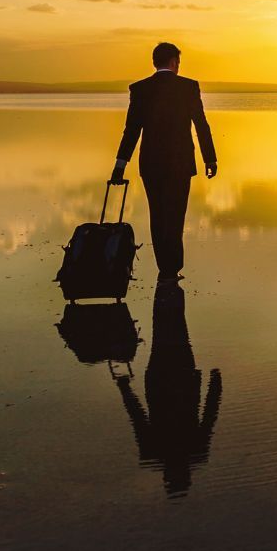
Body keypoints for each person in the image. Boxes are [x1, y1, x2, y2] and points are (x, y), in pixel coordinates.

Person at [110, 42, 217, 282]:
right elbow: (201, 125)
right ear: (174, 62)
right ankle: (173, 268)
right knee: (176, 215)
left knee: (157, 215)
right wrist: (210, 158)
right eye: (178, 62)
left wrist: (120, 164)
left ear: (154, 62)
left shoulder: (140, 89)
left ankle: (164, 268)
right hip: (180, 164)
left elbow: (131, 131)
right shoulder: (188, 87)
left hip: (151, 164)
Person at [116, 280, 222, 497]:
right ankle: (169, 290)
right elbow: (209, 415)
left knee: (169, 335)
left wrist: (126, 389)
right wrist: (215, 383)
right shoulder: (191, 450)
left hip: (165, 381)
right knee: (174, 334)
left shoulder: (159, 451)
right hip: (170, 382)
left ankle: (167, 290)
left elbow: (138, 417)